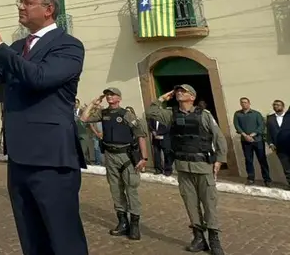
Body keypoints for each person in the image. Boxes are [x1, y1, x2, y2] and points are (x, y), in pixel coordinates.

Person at [0, 0, 88, 255]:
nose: (21, 7)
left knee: (63, 239)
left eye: (27, 3)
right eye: (21, 1)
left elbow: (39, 78)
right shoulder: (17, 47)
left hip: (52, 158)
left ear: (48, 9)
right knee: (31, 238)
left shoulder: (69, 46)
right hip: (19, 158)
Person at [146, 84, 227, 254]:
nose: (179, 93)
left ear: (192, 97)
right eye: (178, 91)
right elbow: (151, 113)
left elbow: (218, 137)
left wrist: (219, 160)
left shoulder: (204, 115)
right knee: (190, 204)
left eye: (184, 91)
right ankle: (199, 238)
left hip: (203, 166)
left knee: (209, 204)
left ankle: (214, 239)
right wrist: (162, 98)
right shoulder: (171, 114)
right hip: (183, 167)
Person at [81, 88, 148, 240]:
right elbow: (84, 118)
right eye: (108, 95)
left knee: (131, 189)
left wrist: (144, 158)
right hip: (110, 155)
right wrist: (93, 103)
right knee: (115, 189)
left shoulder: (126, 114)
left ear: (119, 98)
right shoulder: (103, 113)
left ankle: (135, 225)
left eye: (112, 95)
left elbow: (140, 135)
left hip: (126, 156)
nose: (109, 97)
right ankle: (123, 222)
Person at [233, 97, 270, 186]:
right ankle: (250, 179)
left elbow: (261, 125)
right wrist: (245, 135)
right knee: (248, 160)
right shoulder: (237, 114)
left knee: (262, 160)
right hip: (245, 141)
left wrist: (252, 135)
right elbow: (237, 125)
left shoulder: (256, 114)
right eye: (242, 102)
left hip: (257, 140)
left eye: (245, 102)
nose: (244, 104)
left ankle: (267, 179)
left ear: (249, 103)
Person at [266, 99, 289, 190]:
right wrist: (270, 143)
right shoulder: (270, 118)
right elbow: (268, 133)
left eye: (278, 105)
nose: (276, 106)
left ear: (283, 106)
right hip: (279, 147)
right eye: (274, 105)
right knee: (286, 167)